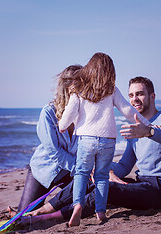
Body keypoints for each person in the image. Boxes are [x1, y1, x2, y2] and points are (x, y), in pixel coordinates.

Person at [20, 76, 161, 227]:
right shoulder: (136, 129)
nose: (134, 99)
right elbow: (125, 165)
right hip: (142, 183)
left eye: (140, 94)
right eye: (131, 95)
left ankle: (49, 218)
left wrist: (150, 132)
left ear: (152, 96)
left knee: (107, 189)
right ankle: (45, 208)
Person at [58, 53, 150, 226]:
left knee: (81, 173)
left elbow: (69, 113)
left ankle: (77, 205)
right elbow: (128, 111)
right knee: (101, 176)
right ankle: (100, 211)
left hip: (86, 139)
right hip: (108, 140)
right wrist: (146, 123)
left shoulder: (78, 88)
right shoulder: (111, 90)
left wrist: (63, 126)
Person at [9, 65, 82, 216]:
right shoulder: (48, 113)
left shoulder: (85, 115)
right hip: (43, 171)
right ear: (69, 88)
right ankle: (18, 212)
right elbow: (55, 153)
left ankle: (50, 209)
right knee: (24, 215)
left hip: (68, 174)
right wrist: (82, 168)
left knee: (88, 192)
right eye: (81, 85)